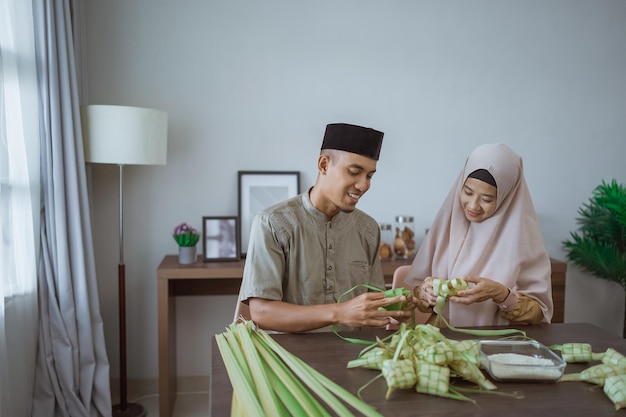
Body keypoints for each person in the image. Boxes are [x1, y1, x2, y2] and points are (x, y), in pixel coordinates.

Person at [237, 123, 413, 333]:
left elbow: (373, 305)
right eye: (354, 172)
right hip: (289, 360)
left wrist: (410, 302)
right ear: (323, 165)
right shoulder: (273, 223)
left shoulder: (368, 229)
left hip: (352, 356)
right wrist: (340, 312)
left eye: (369, 176)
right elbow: (262, 313)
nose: (364, 185)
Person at [404, 143, 553, 327]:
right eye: (467, 192)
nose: (473, 206)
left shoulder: (524, 240)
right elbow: (420, 301)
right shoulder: (447, 227)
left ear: (507, 197)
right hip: (442, 341)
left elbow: (538, 313)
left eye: (487, 199)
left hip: (496, 344)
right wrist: (426, 293)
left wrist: (501, 294)